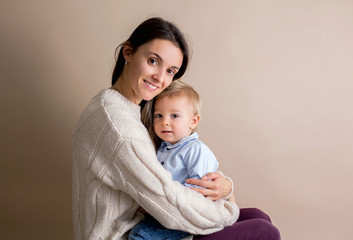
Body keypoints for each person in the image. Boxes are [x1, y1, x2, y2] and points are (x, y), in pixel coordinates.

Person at [72, 17, 280, 240]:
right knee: (264, 231)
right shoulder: (118, 126)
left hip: (149, 222)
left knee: (258, 216)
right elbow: (169, 201)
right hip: (132, 235)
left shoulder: (119, 106)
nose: (160, 78)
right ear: (128, 52)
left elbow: (170, 179)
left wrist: (226, 186)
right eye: (153, 61)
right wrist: (228, 205)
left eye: (171, 71)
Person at [129, 81, 234, 240]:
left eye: (174, 115)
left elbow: (200, 191)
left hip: (188, 216)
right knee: (137, 229)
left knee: (140, 236)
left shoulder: (195, 149)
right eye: (159, 115)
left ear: (193, 121)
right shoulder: (162, 148)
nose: (165, 122)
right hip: (165, 212)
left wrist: (158, 203)